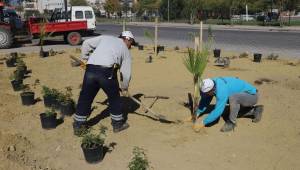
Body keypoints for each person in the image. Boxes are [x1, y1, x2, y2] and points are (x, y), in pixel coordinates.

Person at [73, 31, 136, 135]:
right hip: (107, 73)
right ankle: (117, 125)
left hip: (90, 69)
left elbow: (86, 43)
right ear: (128, 39)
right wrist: (124, 87)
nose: (130, 46)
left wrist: (85, 58)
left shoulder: (105, 37)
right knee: (115, 98)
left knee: (85, 97)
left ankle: (79, 126)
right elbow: (126, 73)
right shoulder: (125, 49)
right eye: (131, 43)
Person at [193, 77, 263, 132]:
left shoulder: (221, 90)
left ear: (211, 90)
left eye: (206, 93)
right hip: (243, 96)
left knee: (233, 98)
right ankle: (254, 111)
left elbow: (218, 110)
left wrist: (203, 123)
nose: (205, 95)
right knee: (227, 113)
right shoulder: (211, 83)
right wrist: (197, 113)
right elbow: (206, 99)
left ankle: (232, 123)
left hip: (252, 96)